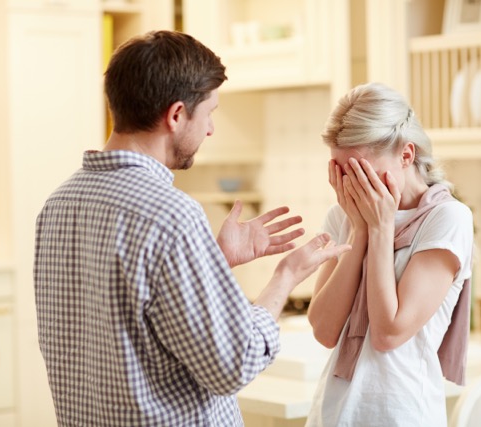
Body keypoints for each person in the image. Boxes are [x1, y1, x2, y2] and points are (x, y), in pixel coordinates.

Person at [33, 30, 350, 427]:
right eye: (210, 113)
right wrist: (284, 278)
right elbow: (234, 365)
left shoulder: (58, 205)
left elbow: (128, 317)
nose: (212, 129)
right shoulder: (171, 214)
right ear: (177, 114)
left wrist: (213, 263)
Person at [305, 82, 474, 427]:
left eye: (362, 171)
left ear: (406, 155)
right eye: (342, 172)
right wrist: (360, 229)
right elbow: (323, 330)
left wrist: (380, 229)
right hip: (333, 412)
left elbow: (389, 334)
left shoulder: (447, 219)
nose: (352, 186)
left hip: (401, 414)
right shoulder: (344, 216)